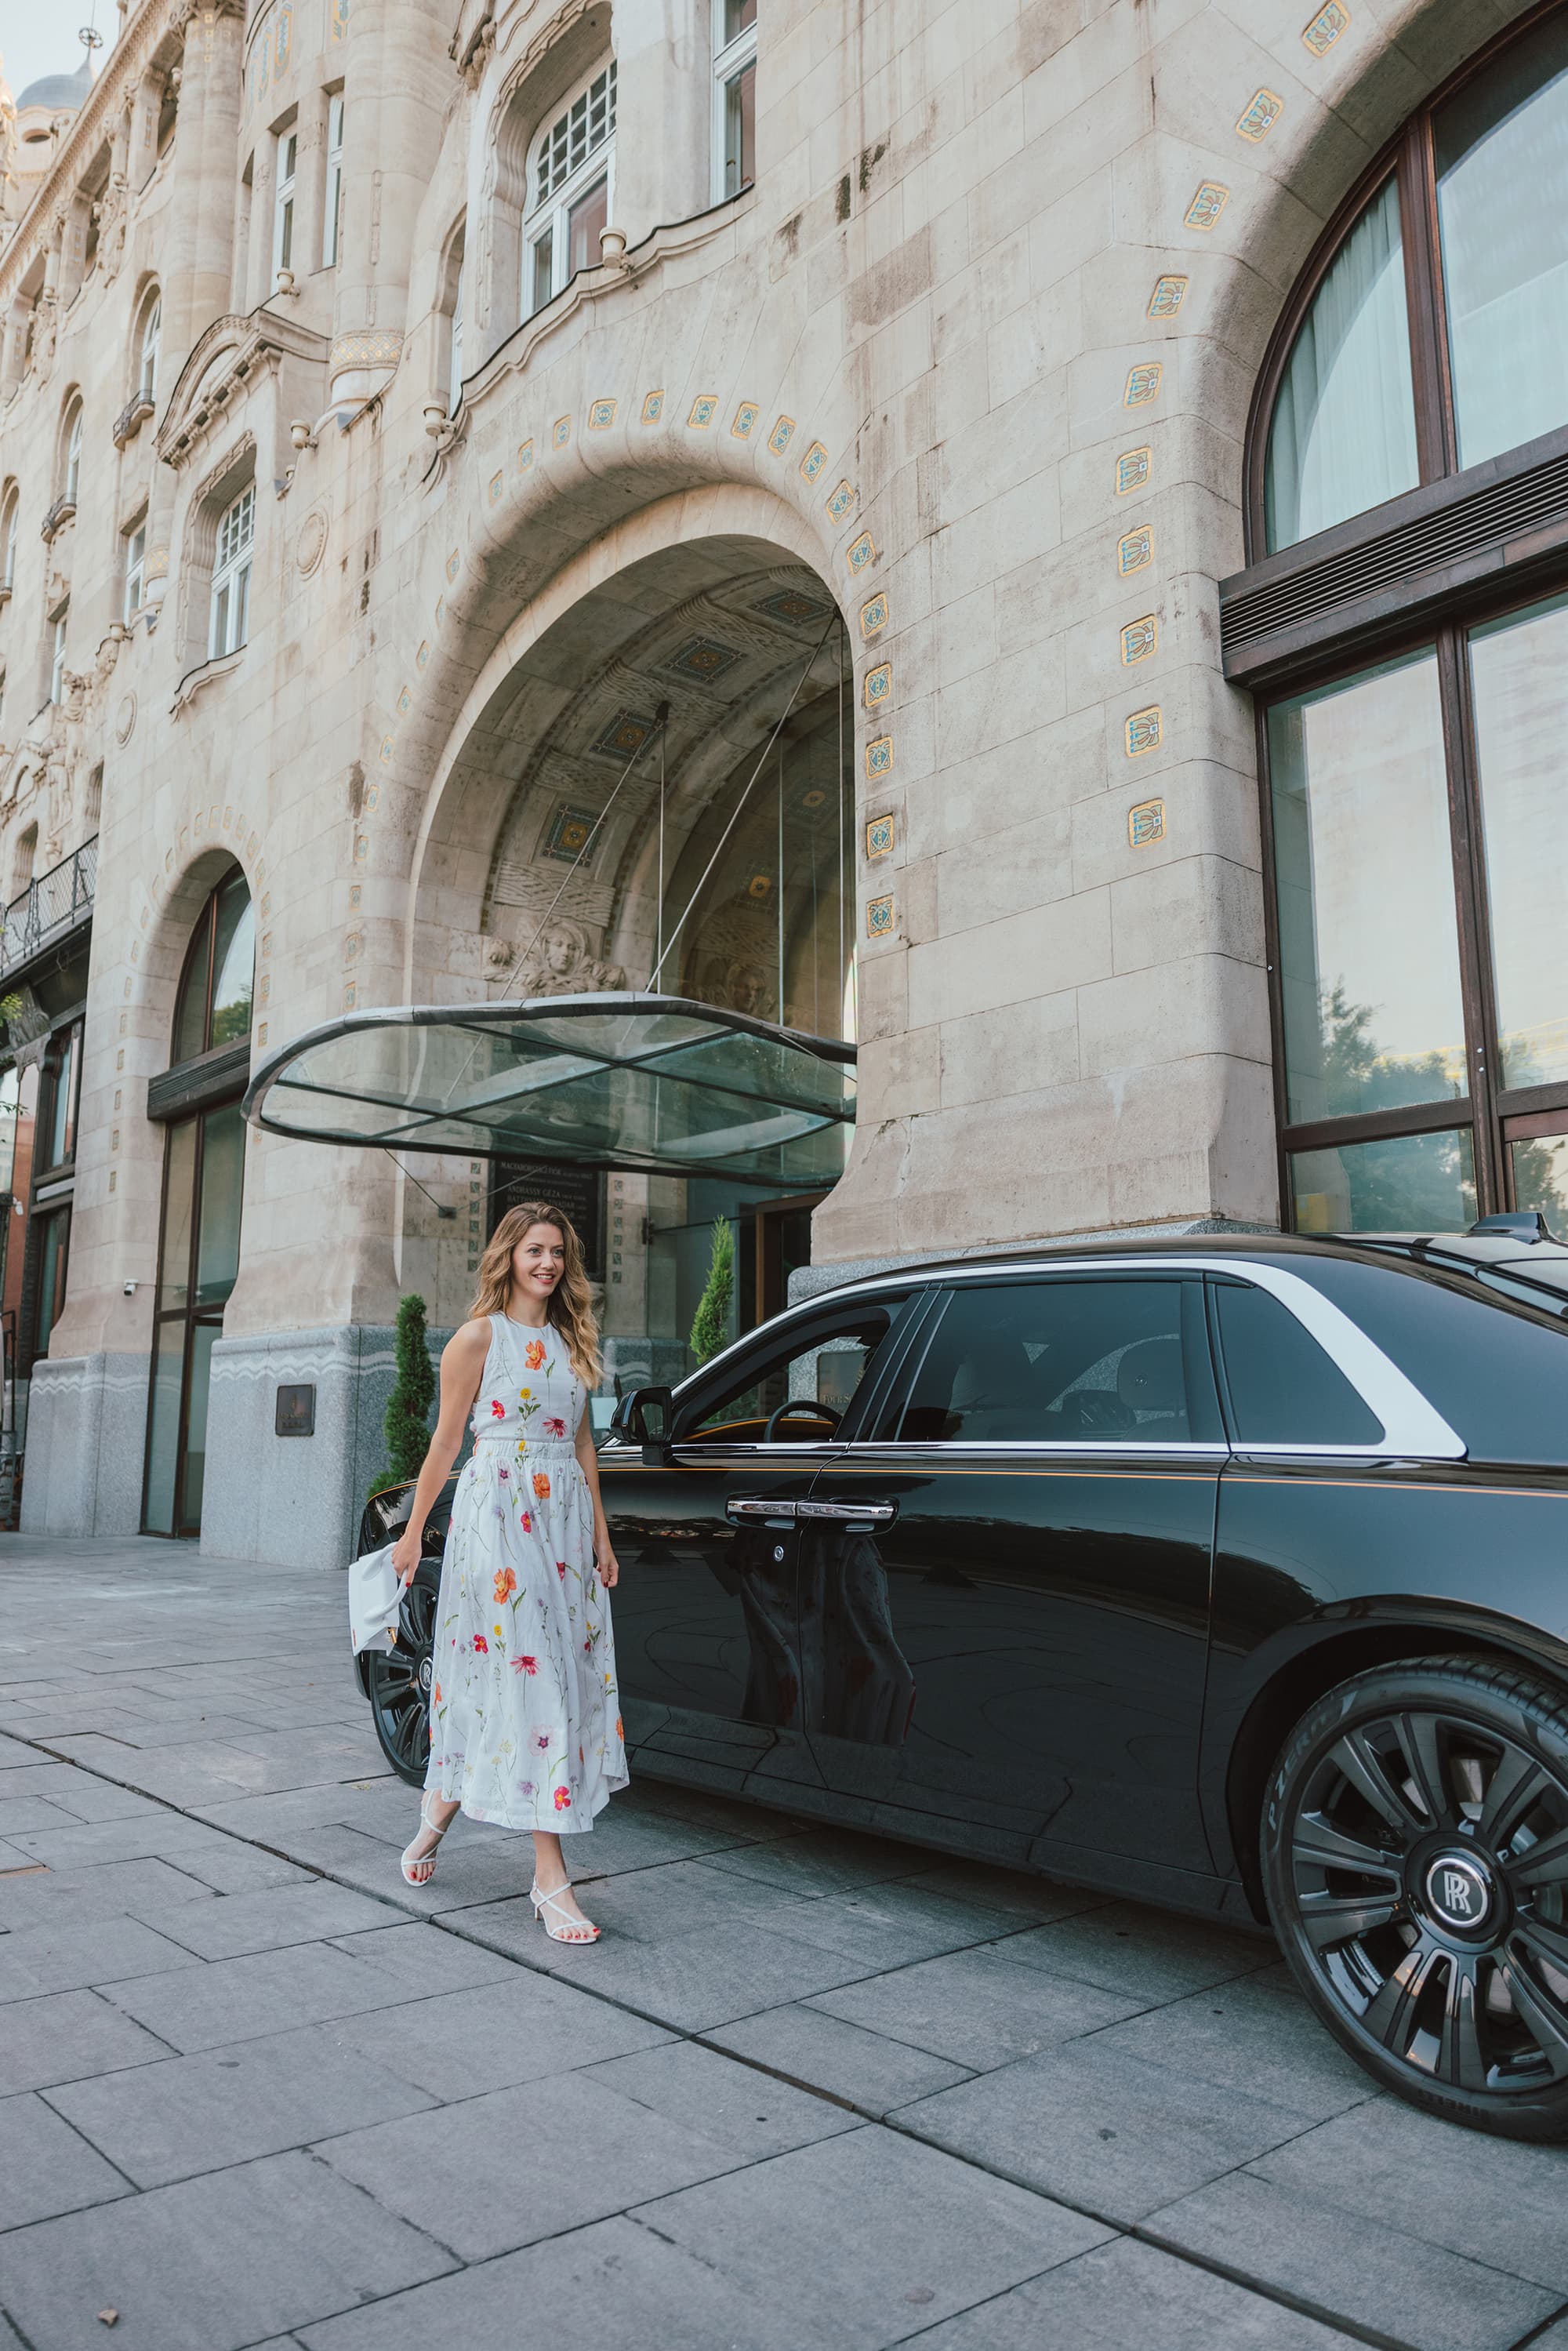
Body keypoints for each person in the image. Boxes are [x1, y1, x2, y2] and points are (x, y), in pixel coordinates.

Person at [392, 1201, 627, 1941]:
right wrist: (411, 1532)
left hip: (561, 1527)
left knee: (535, 1677)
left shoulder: (573, 1340)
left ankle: (439, 1810)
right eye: (534, 1249)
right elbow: (445, 1443)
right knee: (536, 1680)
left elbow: (584, 1445)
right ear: (508, 1257)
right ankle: (550, 1877)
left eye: (557, 1250)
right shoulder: (477, 1339)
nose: (548, 1262)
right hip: (498, 1517)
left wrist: (601, 1535)